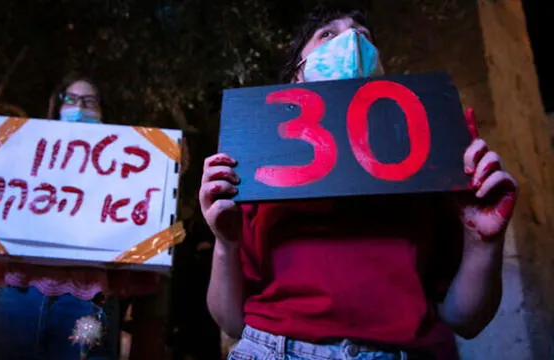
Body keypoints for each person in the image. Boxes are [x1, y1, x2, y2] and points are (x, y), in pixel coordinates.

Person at [201, 4, 518, 360]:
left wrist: (483, 241)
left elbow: (466, 319)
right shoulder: (258, 173)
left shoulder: (427, 171)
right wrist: (225, 243)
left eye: (364, 36)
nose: (352, 42)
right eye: (327, 34)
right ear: (297, 76)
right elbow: (230, 321)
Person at [0, 73, 160, 360]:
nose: (80, 106)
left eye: (90, 101)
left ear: (103, 111)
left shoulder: (121, 168)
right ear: (56, 107)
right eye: (71, 99)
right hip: (15, 292)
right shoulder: (23, 156)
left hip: (88, 303)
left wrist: (166, 166)